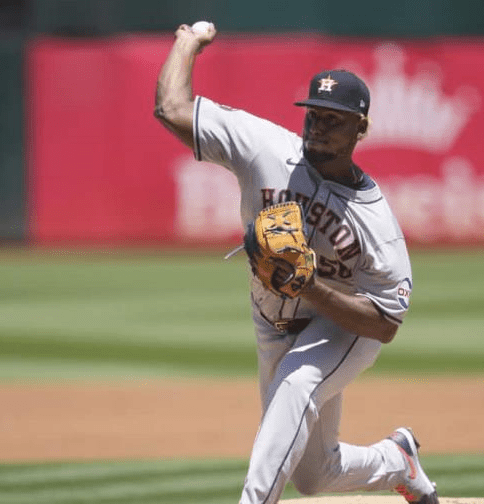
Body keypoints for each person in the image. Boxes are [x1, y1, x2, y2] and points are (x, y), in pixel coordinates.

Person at [154, 22, 438, 504]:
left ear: (361, 128)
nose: (319, 125)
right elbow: (172, 109)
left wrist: (310, 287)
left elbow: (385, 324)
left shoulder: (376, 223)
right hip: (271, 324)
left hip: (344, 327)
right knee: (315, 475)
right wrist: (187, 44)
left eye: (334, 119)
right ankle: (398, 460)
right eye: (314, 115)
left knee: (297, 383)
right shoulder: (265, 148)